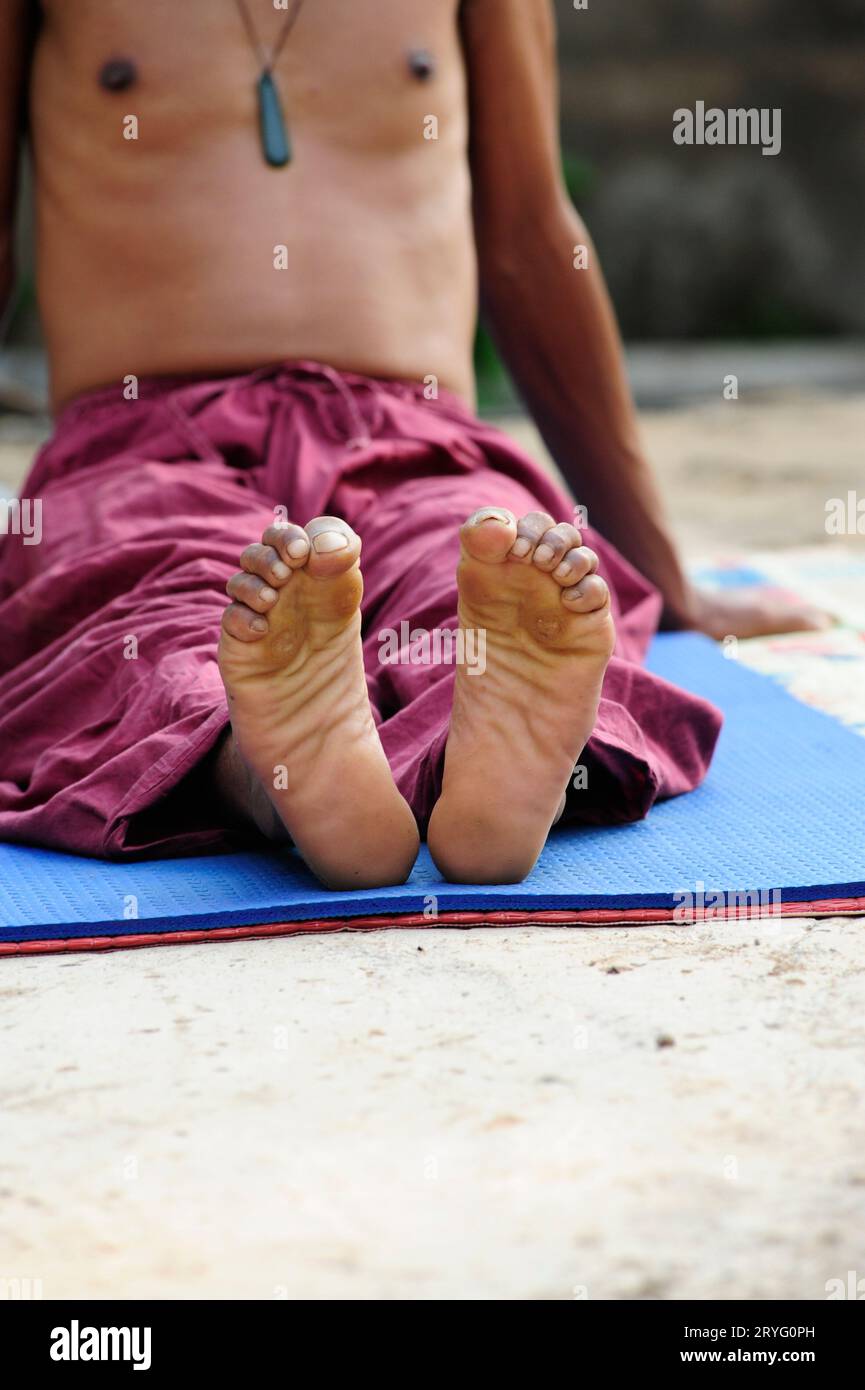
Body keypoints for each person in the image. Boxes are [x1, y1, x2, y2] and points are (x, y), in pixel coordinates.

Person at [0, 0, 824, 888]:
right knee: (148, 602)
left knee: (480, 574)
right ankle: (278, 770)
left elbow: (529, 242)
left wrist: (669, 583)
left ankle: (477, 778)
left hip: (414, 432)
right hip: (143, 443)